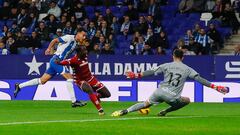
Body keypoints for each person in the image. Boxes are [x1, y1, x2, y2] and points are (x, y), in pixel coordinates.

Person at [111, 49, 229, 117]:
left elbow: (151, 71)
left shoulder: (166, 65)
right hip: (172, 96)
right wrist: (215, 86)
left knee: (146, 103)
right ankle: (164, 112)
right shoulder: (187, 69)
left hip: (160, 91)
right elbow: (200, 79)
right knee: (186, 100)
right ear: (182, 57)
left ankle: (125, 111)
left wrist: (137, 75)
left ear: (173, 56)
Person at [14, 28, 88, 108]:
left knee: (42, 81)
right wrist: (49, 49)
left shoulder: (76, 43)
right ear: (78, 33)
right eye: (83, 35)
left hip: (58, 61)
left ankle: (19, 86)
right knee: (69, 78)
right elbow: (54, 40)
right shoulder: (69, 37)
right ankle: (74, 101)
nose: (84, 37)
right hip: (57, 60)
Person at [56, 45, 111, 115]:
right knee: (89, 90)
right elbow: (67, 62)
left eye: (85, 50)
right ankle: (100, 110)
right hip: (80, 81)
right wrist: (59, 62)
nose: (86, 51)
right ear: (79, 52)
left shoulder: (85, 56)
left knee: (107, 94)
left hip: (91, 79)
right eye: (84, 50)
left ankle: (96, 96)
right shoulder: (74, 60)